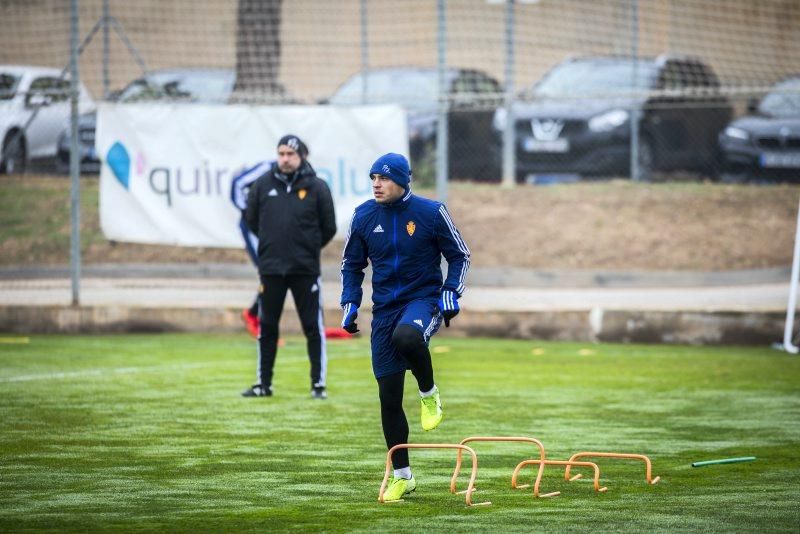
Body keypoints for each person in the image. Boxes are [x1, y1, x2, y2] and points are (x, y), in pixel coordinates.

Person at [339, 153, 470, 502]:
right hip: (383, 311)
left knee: (408, 336)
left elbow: (460, 255)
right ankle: (403, 476)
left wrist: (450, 291)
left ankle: (429, 394)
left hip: (422, 301)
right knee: (388, 398)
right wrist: (350, 302)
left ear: (401, 180)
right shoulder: (364, 215)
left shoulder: (431, 213)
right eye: (372, 179)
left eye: (383, 178)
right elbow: (351, 265)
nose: (376, 185)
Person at [241, 134, 337, 399]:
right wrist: (273, 245)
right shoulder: (262, 185)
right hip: (271, 269)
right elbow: (252, 220)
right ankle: (264, 384)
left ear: (301, 157)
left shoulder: (317, 187)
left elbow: (329, 227)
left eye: (290, 154)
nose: (284, 158)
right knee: (267, 327)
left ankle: (318, 385)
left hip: (304, 269)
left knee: (312, 327)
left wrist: (306, 248)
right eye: (281, 153)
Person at [230, 160, 272, 338]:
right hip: (254, 230)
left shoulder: (299, 178)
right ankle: (256, 318)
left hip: (274, 232)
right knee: (270, 273)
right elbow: (237, 183)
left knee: (279, 274)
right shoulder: (269, 168)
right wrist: (248, 211)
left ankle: (254, 314)